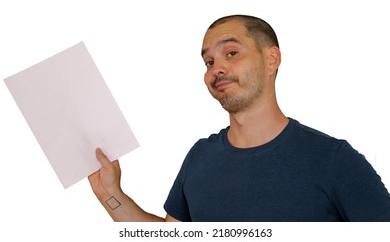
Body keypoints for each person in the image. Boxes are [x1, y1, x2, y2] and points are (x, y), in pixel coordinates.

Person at [88, 15, 390, 221]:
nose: (215, 69)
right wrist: (111, 195)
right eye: (209, 61)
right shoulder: (200, 157)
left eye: (231, 53)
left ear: (271, 59)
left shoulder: (333, 160)